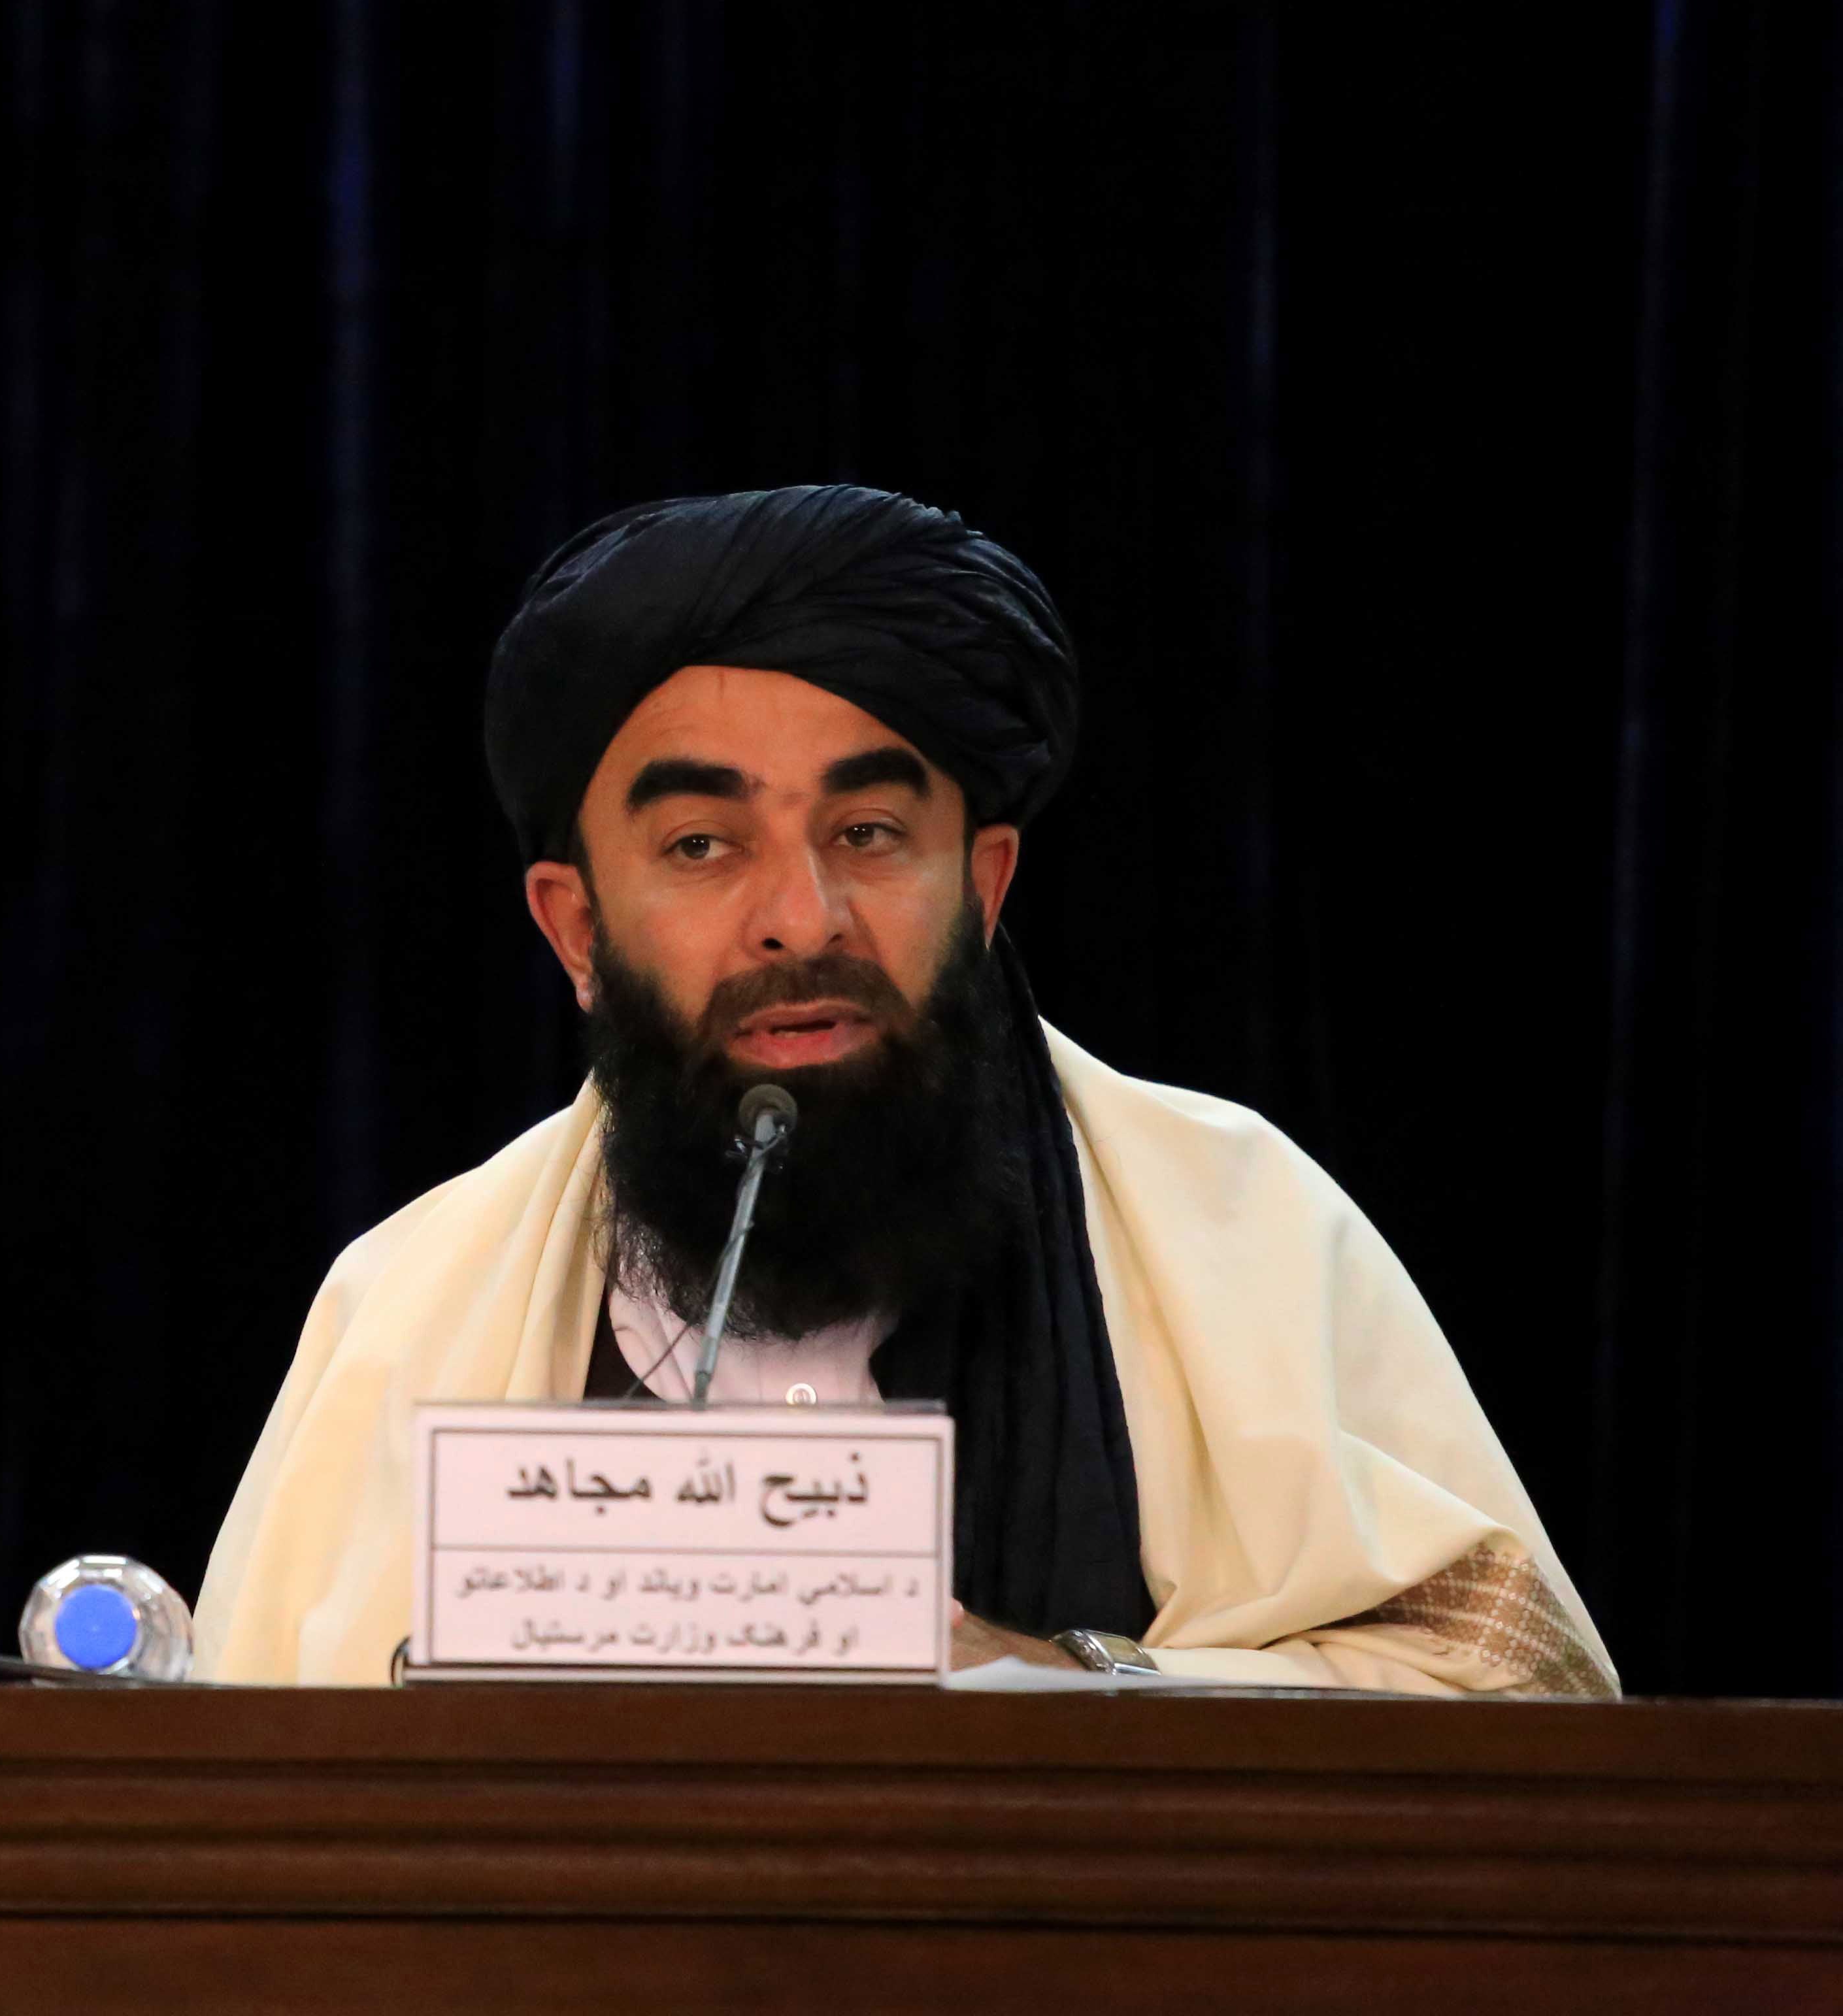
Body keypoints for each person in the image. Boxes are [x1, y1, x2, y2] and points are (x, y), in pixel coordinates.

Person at [192, 486, 1612, 1696]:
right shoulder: (407, 1301)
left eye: (870, 831)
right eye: (701, 846)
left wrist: (1040, 1684)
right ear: (574, 928)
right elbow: (243, 1810)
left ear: (984, 885)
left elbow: (1511, 1676)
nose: (801, 921)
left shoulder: (1239, 1220)